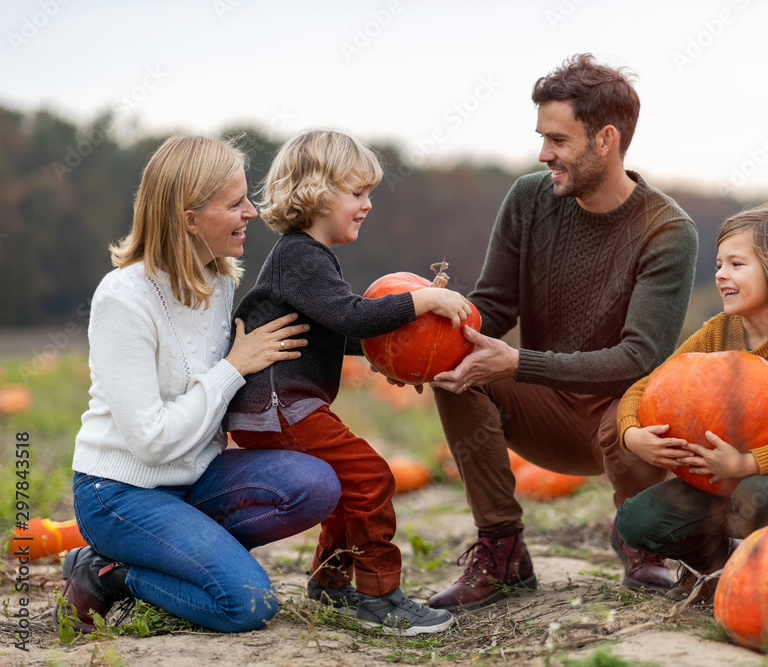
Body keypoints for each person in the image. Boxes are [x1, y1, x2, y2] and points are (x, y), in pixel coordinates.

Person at [425, 54, 699, 611]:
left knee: (644, 400)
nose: (544, 153)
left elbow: (640, 357)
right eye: (541, 137)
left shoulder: (667, 230)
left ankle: (641, 537)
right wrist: (418, 346)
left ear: (605, 139)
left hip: (624, 426)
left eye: (557, 139)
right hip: (544, 412)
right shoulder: (530, 199)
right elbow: (493, 307)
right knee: (454, 372)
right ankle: (503, 553)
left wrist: (519, 363)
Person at [57, 135, 340, 635]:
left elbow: (291, 340)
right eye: (235, 204)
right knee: (248, 603)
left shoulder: (221, 284)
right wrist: (234, 367)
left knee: (315, 484)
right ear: (189, 219)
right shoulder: (123, 300)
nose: (251, 213)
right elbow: (149, 439)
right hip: (122, 493)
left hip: (196, 478)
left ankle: (189, 550)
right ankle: (109, 573)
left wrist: (378, 344)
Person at [226, 130, 467, 635]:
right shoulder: (300, 255)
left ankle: (331, 586)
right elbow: (352, 316)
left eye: (368, 194)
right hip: (278, 405)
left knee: (344, 486)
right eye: (356, 193)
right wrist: (423, 301)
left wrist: (389, 363)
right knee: (371, 477)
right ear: (315, 192)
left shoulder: (306, 257)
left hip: (281, 405)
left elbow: (335, 330)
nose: (367, 205)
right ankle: (380, 597)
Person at [615, 201, 768, 604]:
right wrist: (632, 434)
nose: (721, 275)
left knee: (760, 495)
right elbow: (647, 386)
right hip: (720, 482)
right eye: (718, 264)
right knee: (638, 520)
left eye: (736, 264)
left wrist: (746, 464)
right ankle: (715, 570)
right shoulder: (718, 332)